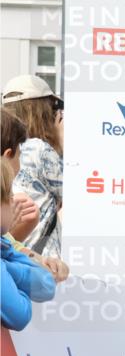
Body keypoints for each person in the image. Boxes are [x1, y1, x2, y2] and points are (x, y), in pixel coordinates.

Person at [2, 110, 67, 281]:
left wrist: (43, 261)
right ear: (8, 155)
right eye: (20, 155)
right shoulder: (39, 148)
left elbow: (10, 245)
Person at [2, 75, 63, 257]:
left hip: (13, 252)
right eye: (54, 107)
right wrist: (62, 142)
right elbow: (77, 194)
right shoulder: (39, 149)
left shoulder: (14, 147)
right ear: (42, 110)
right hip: (41, 260)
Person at [1, 157, 55, 330]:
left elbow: (46, 285)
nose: (13, 203)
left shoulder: (4, 245)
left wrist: (8, 268)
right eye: (9, 195)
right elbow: (20, 314)